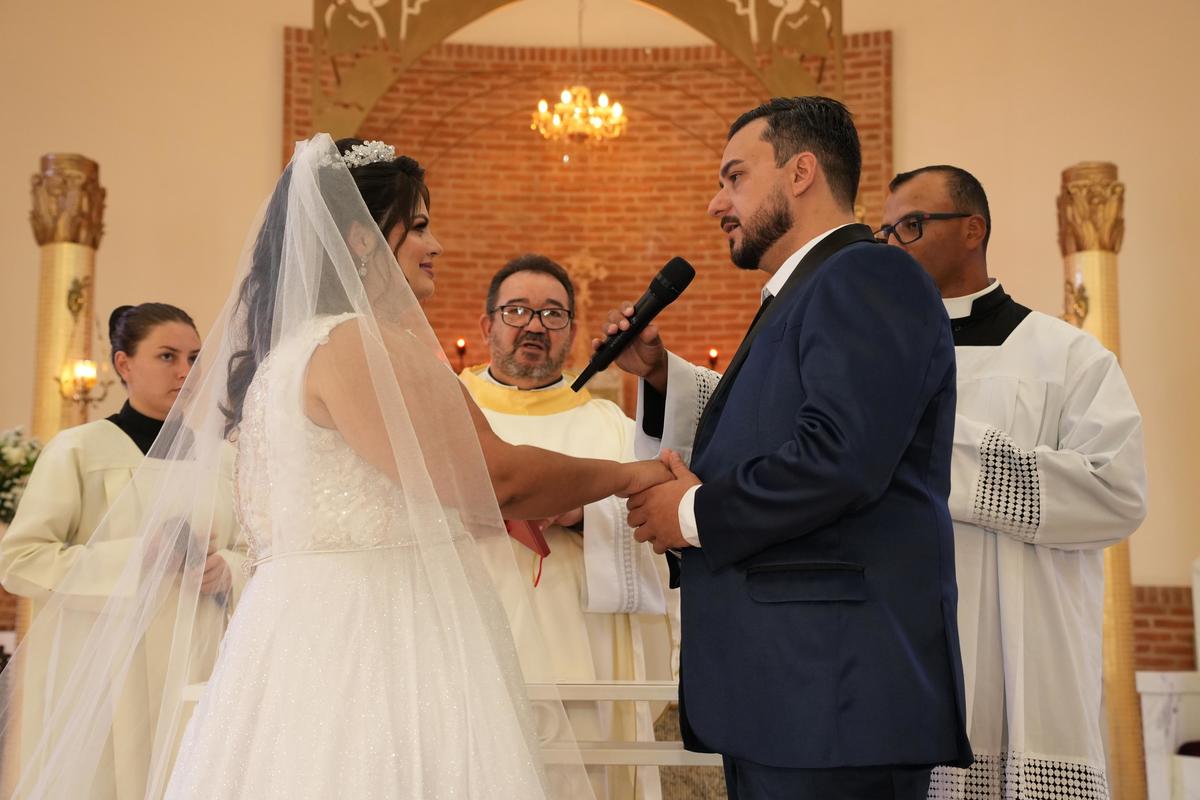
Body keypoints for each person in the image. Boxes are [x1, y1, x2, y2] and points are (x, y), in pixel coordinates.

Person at [0, 136, 670, 799]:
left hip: (301, 637)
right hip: (376, 639)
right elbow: (498, 479)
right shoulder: (356, 344)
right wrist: (629, 476)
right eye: (420, 226)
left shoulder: (292, 354)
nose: (436, 245)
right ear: (360, 239)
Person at [602, 96, 973, 799]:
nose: (717, 202)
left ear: (801, 172)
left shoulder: (868, 274)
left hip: (834, 697)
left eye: (735, 177)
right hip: (791, 698)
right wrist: (665, 395)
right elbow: (776, 437)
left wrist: (691, 513)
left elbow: (841, 456)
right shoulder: (806, 291)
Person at [879, 165, 1148, 799]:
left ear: (972, 230)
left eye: (911, 225)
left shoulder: (1067, 356)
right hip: (902, 655)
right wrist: (668, 381)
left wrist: (943, 456)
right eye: (884, 232)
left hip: (1032, 651)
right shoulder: (874, 363)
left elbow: (1117, 493)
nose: (892, 245)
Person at [0, 303, 246, 800]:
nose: (184, 371)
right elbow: (21, 561)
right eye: (167, 356)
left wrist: (230, 569)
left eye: (194, 358)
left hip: (196, 663)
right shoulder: (79, 450)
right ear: (123, 363)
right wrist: (136, 558)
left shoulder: (222, 459)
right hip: (101, 672)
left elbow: (255, 550)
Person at [462, 253, 677, 800]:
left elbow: (661, 521)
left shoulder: (610, 427)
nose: (535, 325)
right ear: (487, 326)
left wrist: (582, 513)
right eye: (517, 311)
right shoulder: (448, 411)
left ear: (573, 332)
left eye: (553, 314)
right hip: (469, 643)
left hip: (585, 650)